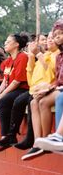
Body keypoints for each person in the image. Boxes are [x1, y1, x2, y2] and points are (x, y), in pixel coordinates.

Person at [21, 19, 63, 160]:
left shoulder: (55, 54)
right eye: (50, 37)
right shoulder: (46, 56)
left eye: (54, 37)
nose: (51, 40)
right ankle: (37, 141)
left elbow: (51, 74)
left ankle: (45, 139)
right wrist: (32, 56)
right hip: (47, 88)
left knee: (41, 102)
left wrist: (37, 54)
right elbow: (31, 77)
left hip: (54, 89)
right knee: (34, 102)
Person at [0, 33, 29, 152]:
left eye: (8, 42)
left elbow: (17, 82)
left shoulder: (23, 57)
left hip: (23, 88)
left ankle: (6, 136)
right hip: (13, 89)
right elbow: (6, 80)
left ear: (17, 44)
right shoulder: (8, 61)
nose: (5, 44)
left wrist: (1, 95)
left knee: (4, 100)